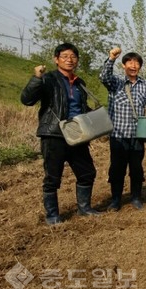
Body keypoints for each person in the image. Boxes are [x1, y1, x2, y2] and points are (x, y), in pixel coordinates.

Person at [21, 42, 101, 225]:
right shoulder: (48, 79)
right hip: (54, 134)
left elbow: (81, 107)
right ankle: (52, 216)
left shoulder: (80, 83)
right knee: (52, 177)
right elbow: (27, 100)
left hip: (77, 134)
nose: (69, 60)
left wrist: (96, 118)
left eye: (73, 56)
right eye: (64, 56)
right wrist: (36, 78)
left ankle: (84, 208)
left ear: (77, 60)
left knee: (87, 172)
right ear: (56, 59)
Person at [99, 47, 146, 211]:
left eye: (136, 63)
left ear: (140, 67)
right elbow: (103, 77)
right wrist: (111, 58)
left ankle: (136, 198)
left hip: (138, 135)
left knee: (136, 169)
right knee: (116, 169)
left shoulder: (145, 85)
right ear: (124, 66)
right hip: (118, 134)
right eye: (129, 62)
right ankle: (115, 200)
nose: (133, 65)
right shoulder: (116, 83)